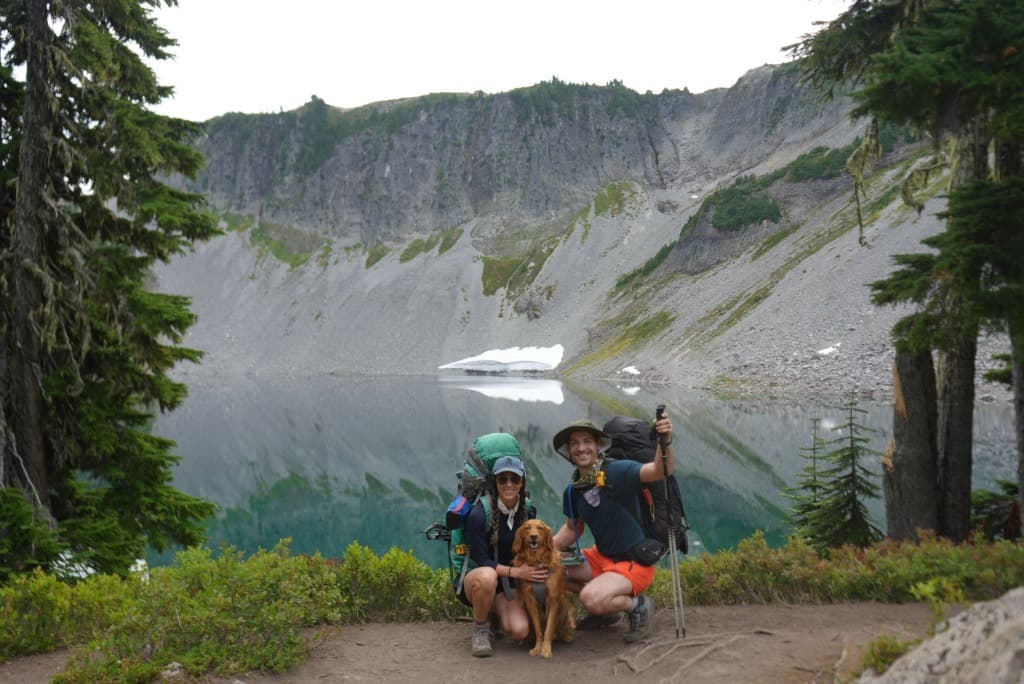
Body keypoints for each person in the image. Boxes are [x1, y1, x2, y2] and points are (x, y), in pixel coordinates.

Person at [552, 413, 675, 643]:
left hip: (633, 562)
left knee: (590, 597)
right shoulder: (573, 490)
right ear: (568, 451)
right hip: (602, 558)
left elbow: (660, 471)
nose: (581, 448)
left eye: (587, 441)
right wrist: (545, 550)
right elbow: (573, 529)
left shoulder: (617, 472)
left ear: (598, 446)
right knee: (551, 570)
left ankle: (638, 605)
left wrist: (664, 441)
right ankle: (607, 612)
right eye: (575, 444)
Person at [459, 454, 551, 657]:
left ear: (522, 482)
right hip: (480, 579)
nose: (509, 484)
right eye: (503, 479)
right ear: (495, 483)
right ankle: (481, 628)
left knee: (520, 631)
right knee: (486, 576)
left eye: (515, 479)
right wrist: (518, 572)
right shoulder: (479, 515)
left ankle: (496, 614)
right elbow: (482, 560)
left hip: (511, 585)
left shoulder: (527, 511)